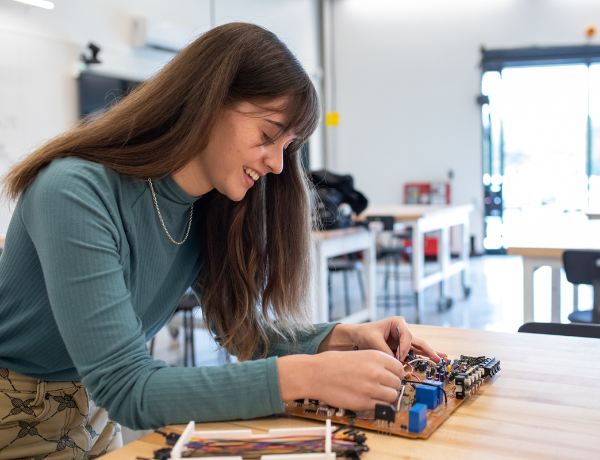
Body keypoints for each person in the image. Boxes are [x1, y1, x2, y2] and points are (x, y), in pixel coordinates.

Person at [0, 23, 444, 458]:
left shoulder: (209, 206)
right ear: (206, 102)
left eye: (287, 148)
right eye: (268, 135)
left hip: (92, 420)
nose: (276, 165)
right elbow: (128, 387)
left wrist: (341, 338)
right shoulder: (74, 191)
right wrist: (307, 376)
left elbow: (242, 334)